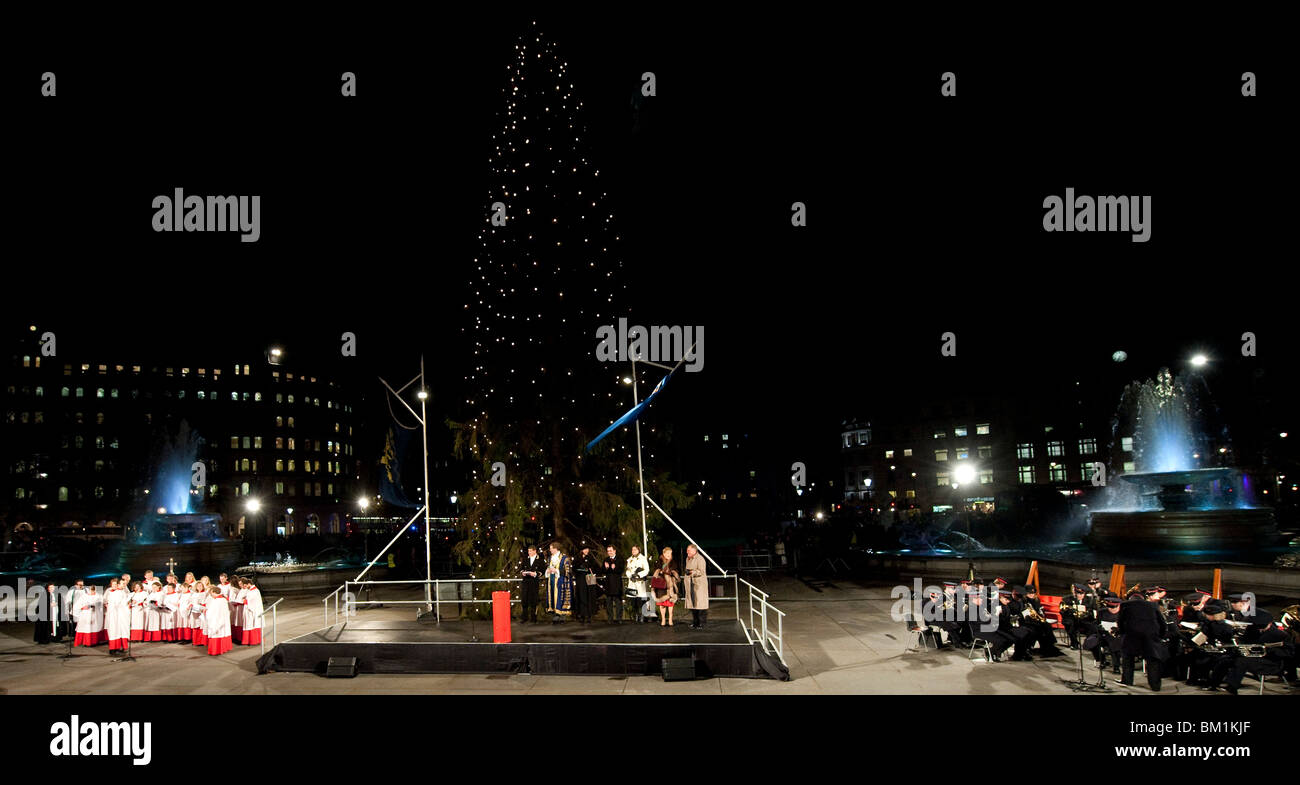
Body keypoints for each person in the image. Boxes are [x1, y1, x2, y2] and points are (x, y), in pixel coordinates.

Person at [1118, 590, 1167, 690]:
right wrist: (1160, 636)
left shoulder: (1125, 605)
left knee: (1128, 658)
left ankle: (1127, 681)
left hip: (1131, 636)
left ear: (1130, 598)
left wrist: (1123, 633)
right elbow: (1162, 623)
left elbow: (1120, 621)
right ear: (1143, 598)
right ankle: (1155, 685)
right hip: (1150, 637)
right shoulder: (1152, 605)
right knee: (1153, 661)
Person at [544, 542, 572, 623]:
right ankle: (556, 613)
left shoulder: (564, 558)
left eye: (551, 548)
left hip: (561, 580)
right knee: (553, 595)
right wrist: (548, 570)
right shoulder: (550, 558)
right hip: (552, 579)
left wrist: (556, 570)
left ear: (556, 548)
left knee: (560, 596)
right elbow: (548, 566)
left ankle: (562, 614)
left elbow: (568, 570)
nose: (550, 550)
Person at [572, 545, 600, 623]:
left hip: (590, 577)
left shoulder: (591, 557)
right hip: (581, 578)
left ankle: (590, 614)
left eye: (587, 549)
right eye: (585, 549)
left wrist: (590, 569)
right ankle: (582, 614)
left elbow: (595, 567)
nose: (586, 550)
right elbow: (574, 568)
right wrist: (581, 568)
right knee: (582, 595)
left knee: (590, 595)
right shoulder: (577, 558)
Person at [683, 544, 709, 629]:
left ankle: (701, 623)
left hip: (699, 585)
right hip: (690, 584)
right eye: (687, 550)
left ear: (694, 551)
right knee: (693, 604)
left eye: (689, 550)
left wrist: (692, 572)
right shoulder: (688, 558)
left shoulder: (700, 559)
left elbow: (701, 571)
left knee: (699, 604)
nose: (687, 552)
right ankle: (695, 622)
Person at [652, 547, 679, 627]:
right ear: (663, 553)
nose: (668, 555)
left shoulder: (673, 562)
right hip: (661, 584)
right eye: (667, 553)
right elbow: (655, 570)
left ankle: (670, 619)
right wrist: (659, 571)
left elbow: (676, 570)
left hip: (670, 585)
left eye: (670, 553)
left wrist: (673, 573)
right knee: (662, 603)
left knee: (670, 603)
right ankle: (663, 619)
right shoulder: (659, 561)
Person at [104, 577, 131, 653]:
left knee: (120, 631)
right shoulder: (114, 593)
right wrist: (126, 603)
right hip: (114, 615)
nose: (124, 585)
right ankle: (113, 648)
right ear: (118, 584)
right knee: (114, 631)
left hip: (121, 615)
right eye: (123, 584)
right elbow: (115, 604)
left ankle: (118, 647)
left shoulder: (122, 592)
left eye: (125, 584)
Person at [625, 545, 651, 623]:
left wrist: (638, 575)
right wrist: (630, 575)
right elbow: (627, 570)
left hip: (640, 582)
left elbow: (647, 570)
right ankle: (636, 615)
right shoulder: (629, 559)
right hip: (632, 582)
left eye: (635, 549)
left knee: (641, 599)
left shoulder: (643, 559)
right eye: (632, 549)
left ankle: (642, 616)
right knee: (634, 600)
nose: (633, 551)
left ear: (638, 550)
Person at [519, 545, 544, 623]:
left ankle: (533, 618)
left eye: (530, 551)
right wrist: (523, 572)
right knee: (524, 599)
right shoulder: (525, 559)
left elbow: (542, 570)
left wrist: (536, 573)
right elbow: (521, 568)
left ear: (535, 551)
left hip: (534, 582)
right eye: (528, 551)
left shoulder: (540, 560)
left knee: (533, 600)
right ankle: (524, 617)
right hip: (526, 581)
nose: (529, 553)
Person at [204, 586, 232, 656]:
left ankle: (215, 650)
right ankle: (224, 648)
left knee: (216, 634)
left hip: (216, 621)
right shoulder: (224, 600)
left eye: (211, 593)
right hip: (222, 620)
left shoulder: (216, 601)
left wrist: (205, 611)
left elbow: (211, 613)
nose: (211, 595)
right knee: (222, 633)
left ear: (214, 592)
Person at [600, 545, 622, 623]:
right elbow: (602, 570)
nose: (609, 552)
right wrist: (606, 568)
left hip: (617, 584)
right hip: (608, 584)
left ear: (614, 551)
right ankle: (610, 618)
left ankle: (619, 618)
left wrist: (614, 568)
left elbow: (621, 569)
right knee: (609, 603)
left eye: (611, 550)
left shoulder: (619, 559)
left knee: (618, 602)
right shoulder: (606, 559)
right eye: (608, 551)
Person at [239, 578, 264, 645]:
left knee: (251, 624)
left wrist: (245, 601)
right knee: (250, 624)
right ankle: (249, 640)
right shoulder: (252, 590)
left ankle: (253, 640)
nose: (245, 587)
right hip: (250, 609)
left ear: (249, 584)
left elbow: (252, 601)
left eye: (246, 585)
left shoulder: (254, 591)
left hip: (251, 610)